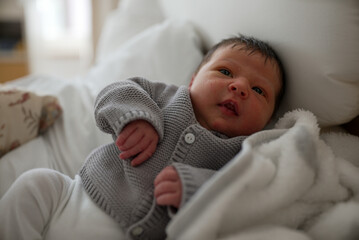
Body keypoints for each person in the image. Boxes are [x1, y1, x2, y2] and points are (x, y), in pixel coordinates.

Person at [0, 35, 285, 240]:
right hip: (73, 198)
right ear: (193, 79)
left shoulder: (246, 150)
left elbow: (244, 193)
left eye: (260, 91)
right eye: (225, 72)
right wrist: (136, 116)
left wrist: (196, 187)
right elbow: (117, 91)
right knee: (34, 184)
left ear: (268, 120)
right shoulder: (168, 98)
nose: (239, 87)